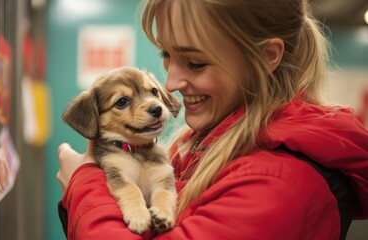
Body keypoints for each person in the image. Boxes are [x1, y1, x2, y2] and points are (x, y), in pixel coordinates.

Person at [56, 0, 368, 239]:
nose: (170, 84)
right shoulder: (199, 142)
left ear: (266, 57)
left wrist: (84, 183)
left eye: (195, 62)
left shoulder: (280, 182)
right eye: (166, 55)